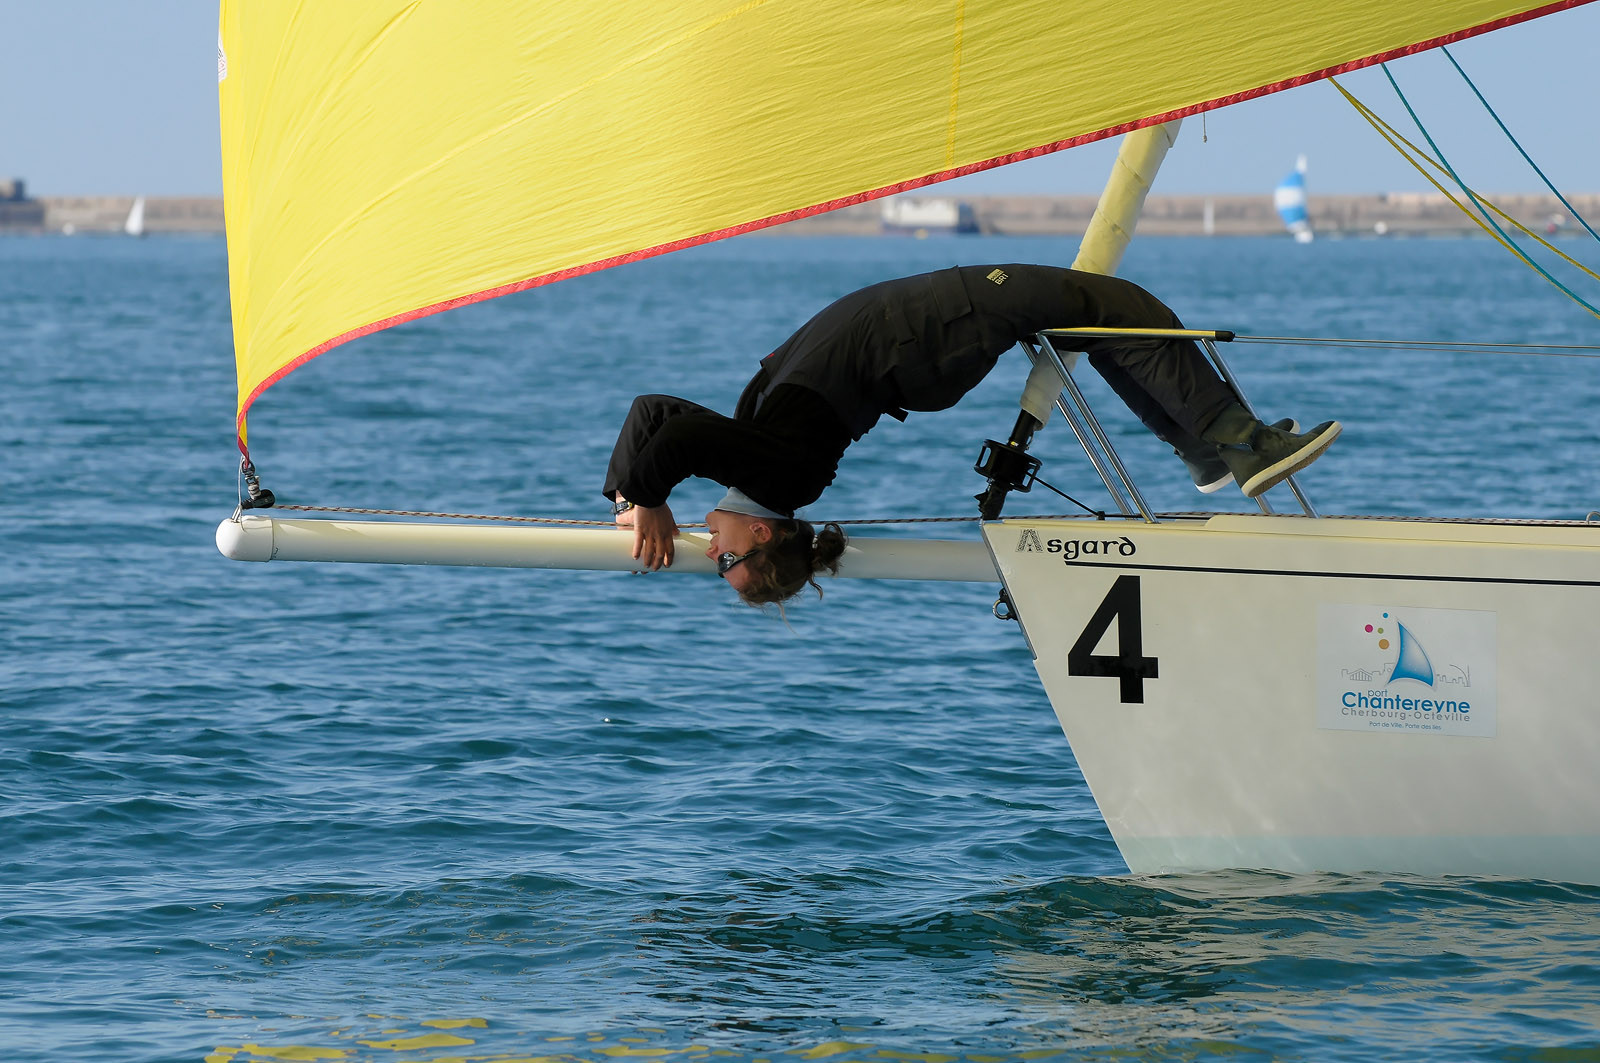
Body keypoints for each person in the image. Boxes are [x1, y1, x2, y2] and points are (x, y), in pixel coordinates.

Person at [603, 264, 1340, 603]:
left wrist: (634, 496)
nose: (710, 539)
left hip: (917, 329)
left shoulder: (760, 471)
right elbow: (659, 427)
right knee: (1118, 306)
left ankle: (1206, 448)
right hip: (929, 330)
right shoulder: (777, 482)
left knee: (1109, 317)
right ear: (764, 537)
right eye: (723, 556)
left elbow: (654, 419)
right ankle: (1233, 443)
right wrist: (646, 491)